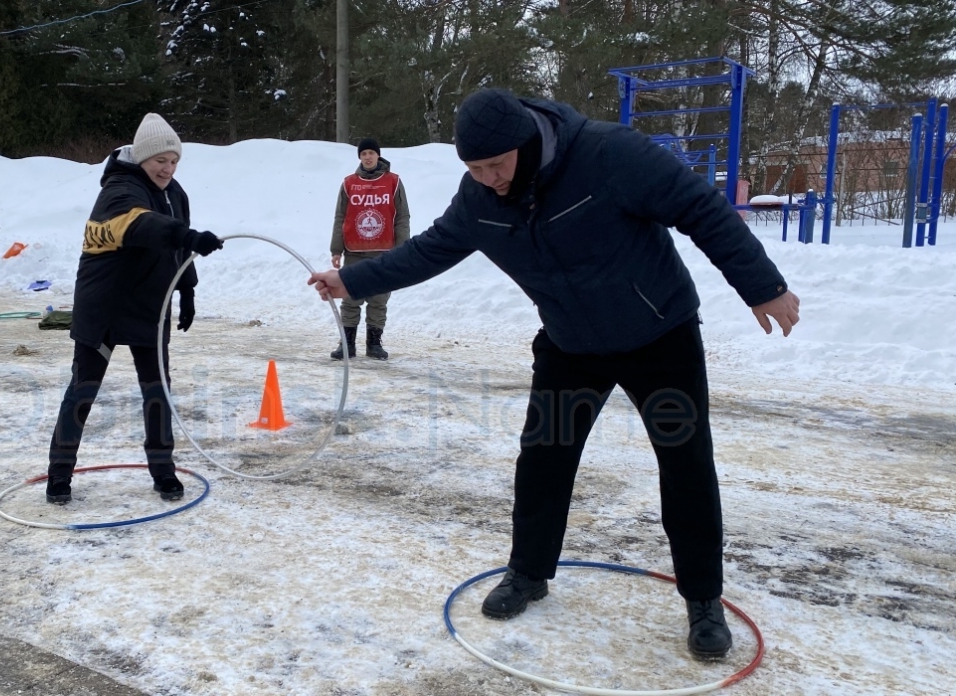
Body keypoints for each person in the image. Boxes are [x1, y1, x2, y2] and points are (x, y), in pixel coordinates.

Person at [309, 89, 802, 659]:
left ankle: (703, 600)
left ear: (524, 142)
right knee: (544, 456)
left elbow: (700, 206)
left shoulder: (607, 154)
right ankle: (528, 571)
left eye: (496, 164)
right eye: (475, 168)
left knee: (685, 461)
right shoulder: (479, 197)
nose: (489, 177)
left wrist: (762, 285)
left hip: (658, 334)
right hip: (571, 344)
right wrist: (352, 282)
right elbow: (430, 250)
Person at [46, 113, 223, 505]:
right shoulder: (119, 189)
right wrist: (186, 234)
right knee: (84, 390)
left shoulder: (175, 193)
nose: (168, 168)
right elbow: (140, 226)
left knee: (157, 390)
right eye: (161, 159)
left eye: (174, 160)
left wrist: (188, 289)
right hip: (105, 305)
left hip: (149, 306)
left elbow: (178, 251)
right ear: (142, 156)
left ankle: (164, 471)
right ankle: (58, 474)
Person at [329, 137, 410, 360]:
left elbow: (402, 217)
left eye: (371, 153)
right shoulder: (349, 183)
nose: (367, 157)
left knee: (378, 299)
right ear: (360, 157)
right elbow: (340, 216)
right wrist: (336, 250)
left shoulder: (393, 182)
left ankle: (374, 343)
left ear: (378, 155)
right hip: (354, 250)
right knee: (351, 297)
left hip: (384, 251)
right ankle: (347, 344)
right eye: (363, 154)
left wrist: (402, 249)